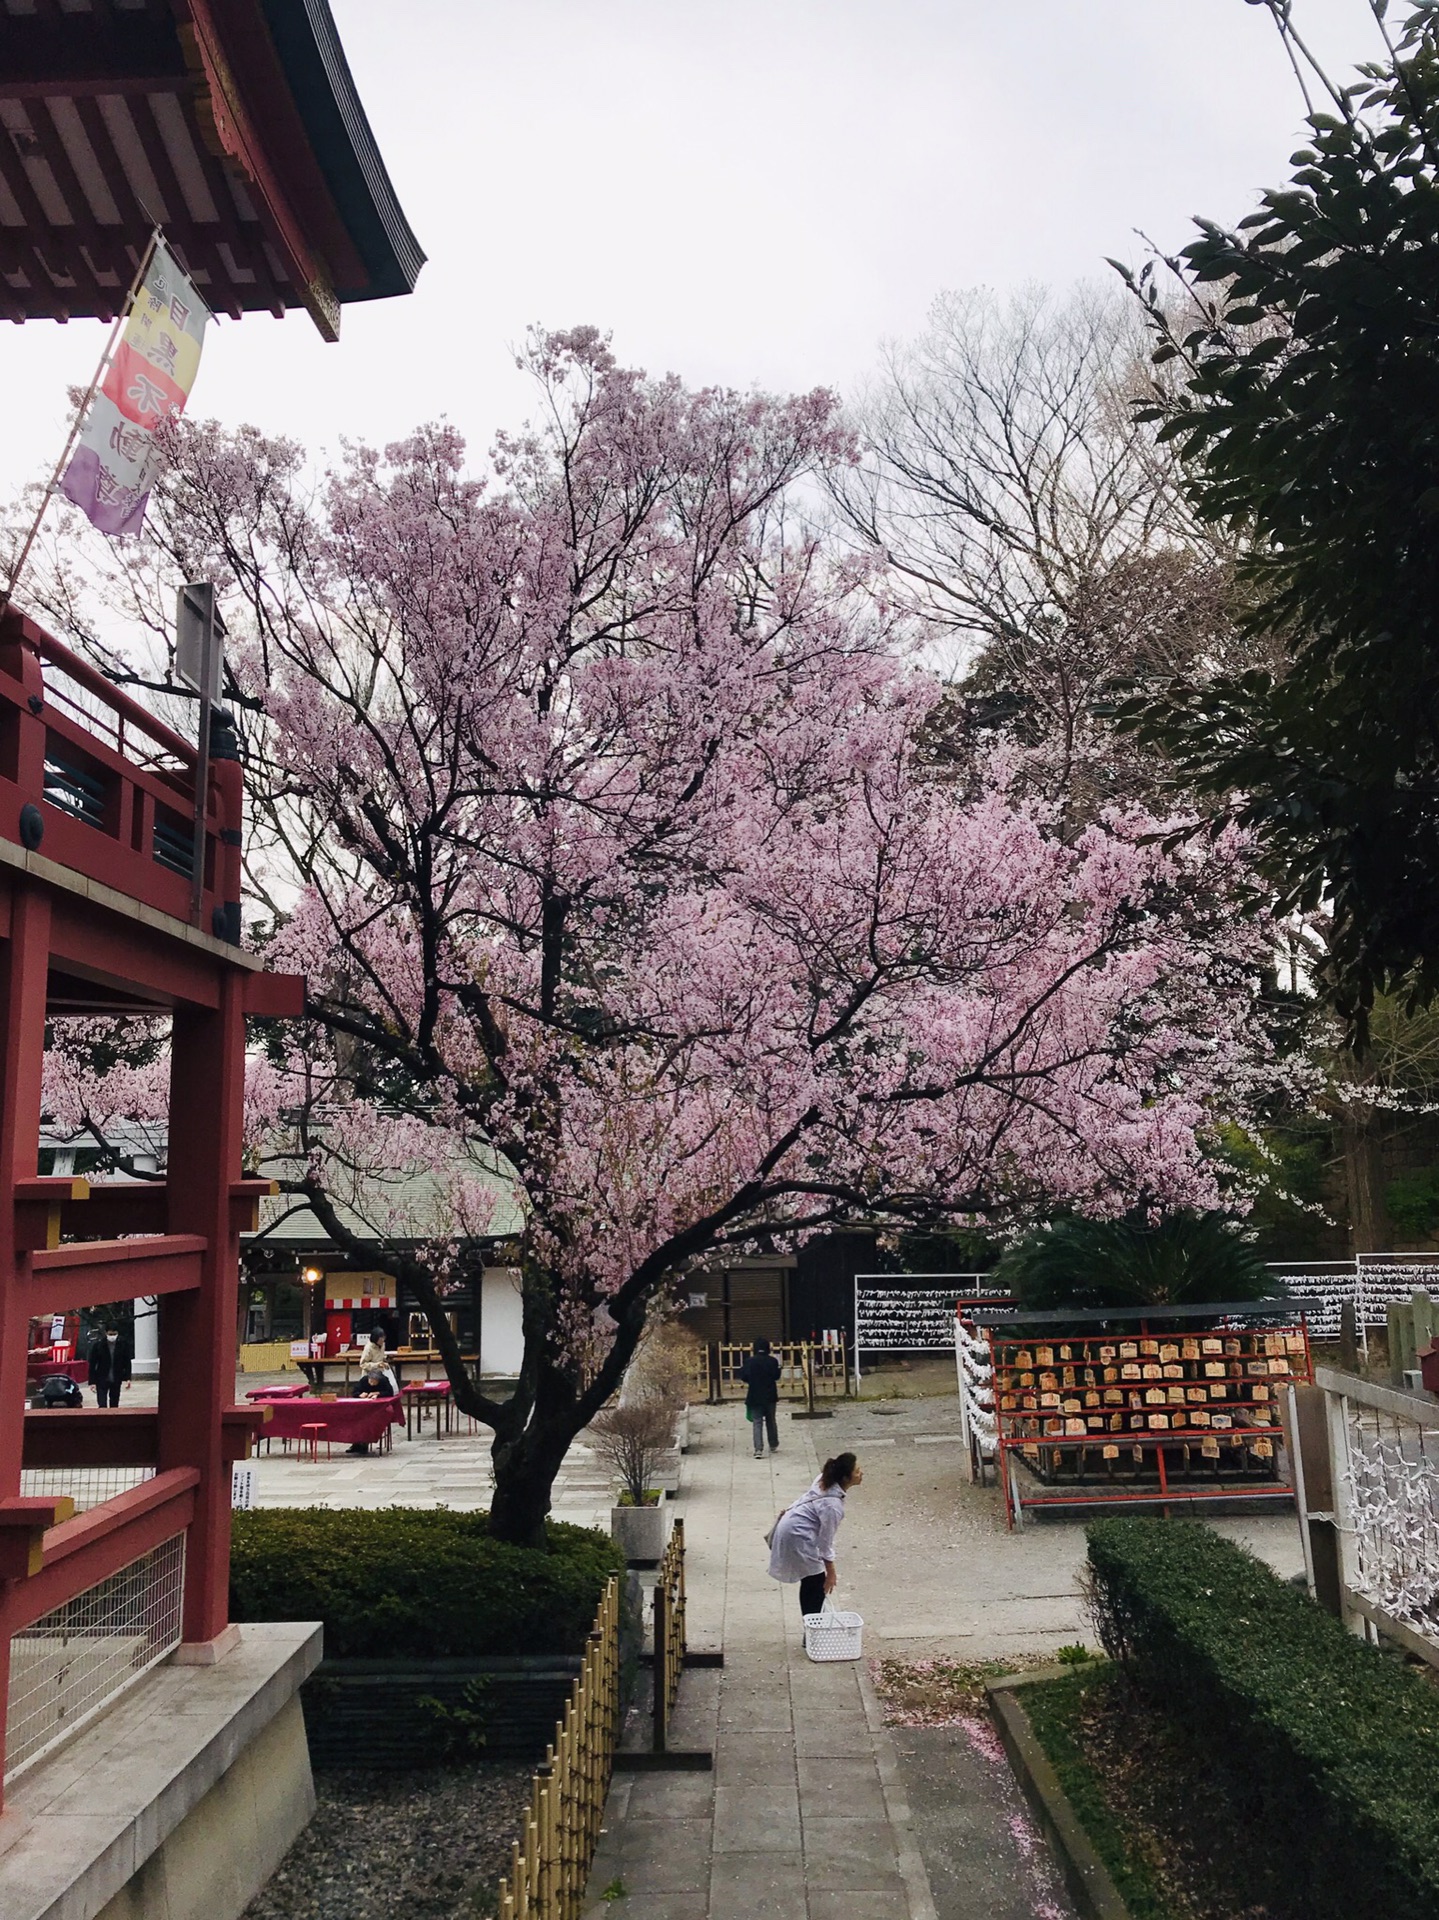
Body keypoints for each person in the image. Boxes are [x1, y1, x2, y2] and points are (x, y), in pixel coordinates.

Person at [767, 1452, 863, 1620]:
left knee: (811, 1580)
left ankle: (811, 1625)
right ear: (845, 1478)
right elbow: (825, 1542)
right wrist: (831, 1572)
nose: (861, 1474)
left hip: (792, 1526)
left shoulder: (825, 1480)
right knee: (816, 1581)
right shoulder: (832, 1506)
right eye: (857, 1471)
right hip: (798, 1535)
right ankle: (813, 1627)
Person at [738, 1336, 782, 1458]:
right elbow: (776, 1376)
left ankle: (758, 1449)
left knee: (757, 1422)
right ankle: (773, 1444)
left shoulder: (749, 1361)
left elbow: (743, 1376)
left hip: (754, 1394)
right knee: (771, 1420)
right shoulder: (772, 1361)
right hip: (770, 1394)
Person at [346, 1364, 397, 1454]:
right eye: (371, 1381)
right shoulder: (364, 1380)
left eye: (375, 1381)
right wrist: (360, 1394)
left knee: (370, 1421)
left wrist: (378, 1393)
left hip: (378, 1409)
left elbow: (390, 1392)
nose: (372, 1383)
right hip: (362, 1408)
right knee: (356, 1420)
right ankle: (356, 1444)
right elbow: (354, 1392)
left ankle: (365, 1443)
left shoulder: (384, 1381)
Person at [86, 1325, 131, 1409]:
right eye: (110, 1334)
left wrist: (128, 1378)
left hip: (116, 1377)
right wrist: (92, 1381)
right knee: (102, 1404)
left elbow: (127, 1362)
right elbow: (92, 1364)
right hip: (101, 1378)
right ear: (106, 1333)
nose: (112, 1336)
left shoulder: (123, 1345)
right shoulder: (98, 1345)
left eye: (114, 1334)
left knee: (114, 1403)